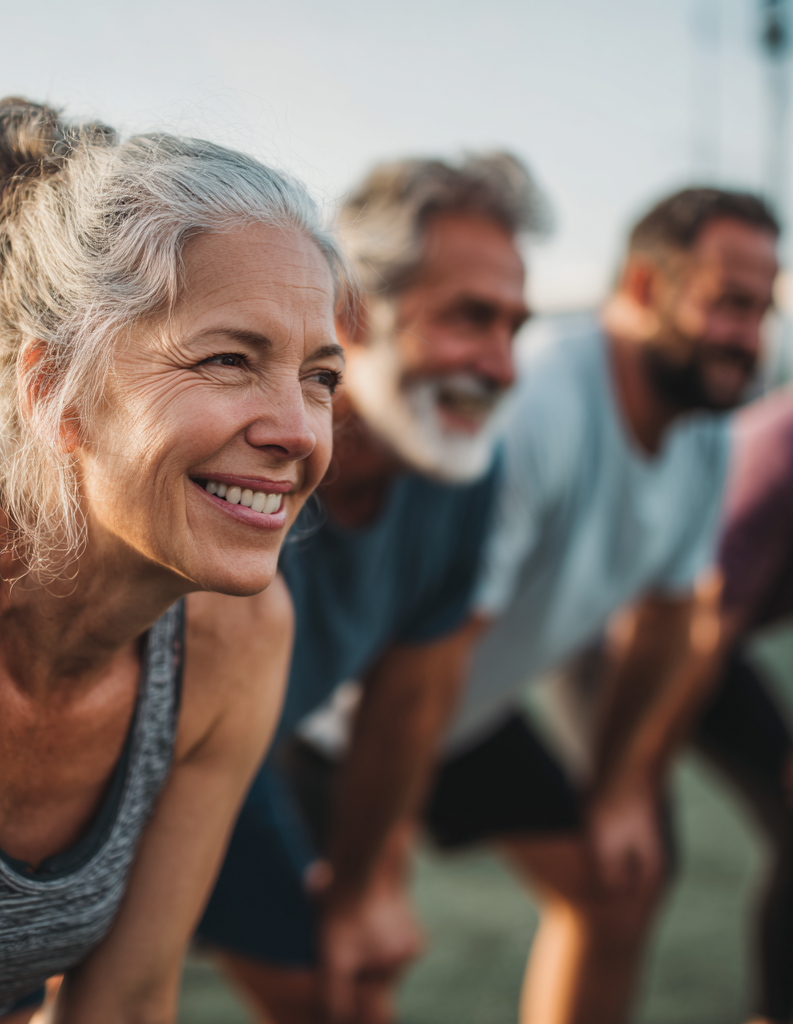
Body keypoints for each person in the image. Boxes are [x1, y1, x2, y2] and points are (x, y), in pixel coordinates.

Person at [0, 97, 349, 1024]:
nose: (298, 431)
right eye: (231, 360)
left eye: (320, 376)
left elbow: (121, 1003)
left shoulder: (238, 637)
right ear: (54, 390)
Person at [292, 185, 780, 1023]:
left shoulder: (703, 426)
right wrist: (381, 843)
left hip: (461, 716)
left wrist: (623, 785)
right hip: (349, 723)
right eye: (729, 303)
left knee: (617, 882)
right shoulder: (539, 403)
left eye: (763, 309)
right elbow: (426, 653)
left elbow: (668, 615)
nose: (749, 335)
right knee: (347, 978)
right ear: (641, 289)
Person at [196, 154, 543, 1024]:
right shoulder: (243, 448)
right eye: (470, 318)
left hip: (227, 767)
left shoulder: (462, 469)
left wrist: (360, 890)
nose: (501, 367)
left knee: (343, 992)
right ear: (354, 313)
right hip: (108, 769)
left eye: (514, 327)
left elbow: (405, 703)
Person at [683, 387, 793, 1024]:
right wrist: (630, 781)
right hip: (656, 631)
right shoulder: (778, 452)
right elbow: (703, 633)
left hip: (720, 628)